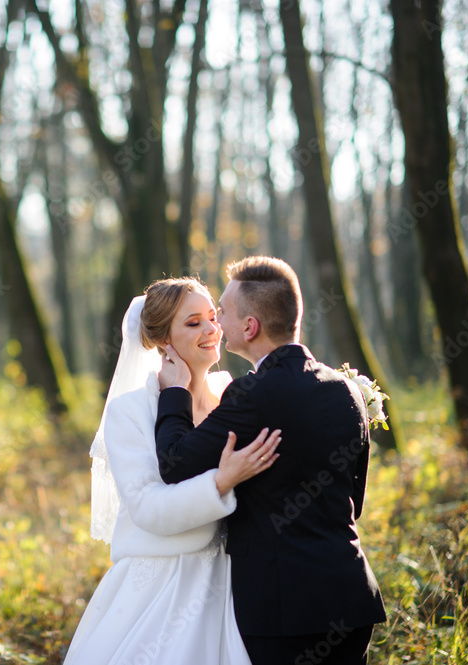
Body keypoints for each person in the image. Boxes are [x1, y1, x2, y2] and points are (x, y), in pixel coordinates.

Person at [155, 257, 387, 664]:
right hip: (352, 599)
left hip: (283, 612)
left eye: (222, 312)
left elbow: (175, 462)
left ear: (250, 327)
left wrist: (175, 392)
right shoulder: (347, 391)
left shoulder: (251, 395)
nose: (216, 323)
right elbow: (355, 500)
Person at [64, 277, 281, 664]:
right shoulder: (130, 411)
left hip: (232, 579)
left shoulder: (231, 393)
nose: (212, 330)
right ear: (163, 339)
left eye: (213, 318)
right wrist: (222, 481)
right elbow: (148, 507)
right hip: (164, 586)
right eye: (193, 322)